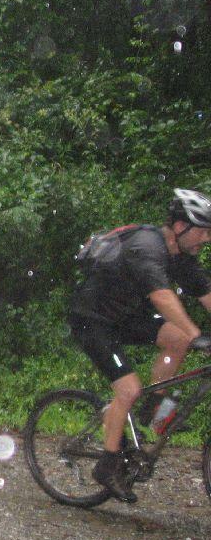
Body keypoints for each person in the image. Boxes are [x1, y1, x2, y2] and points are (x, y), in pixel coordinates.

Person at [68, 188, 211, 502]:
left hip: (127, 316)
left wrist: (187, 333)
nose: (206, 238)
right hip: (92, 320)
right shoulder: (146, 247)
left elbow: (207, 296)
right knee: (129, 388)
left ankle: (152, 412)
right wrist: (192, 329)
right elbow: (162, 297)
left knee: (176, 339)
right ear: (179, 227)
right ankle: (106, 466)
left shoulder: (184, 259)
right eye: (201, 230)